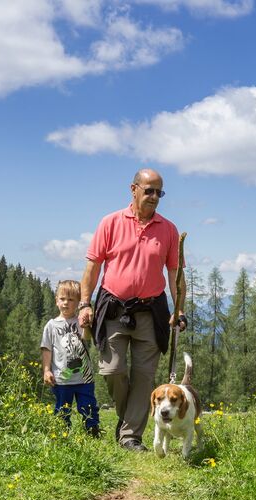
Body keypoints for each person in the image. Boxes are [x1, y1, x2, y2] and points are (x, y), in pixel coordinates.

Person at [79, 168, 186, 452]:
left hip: (152, 311)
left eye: (159, 192)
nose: (153, 197)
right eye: (148, 190)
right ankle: (128, 421)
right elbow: (92, 267)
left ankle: (130, 436)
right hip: (113, 308)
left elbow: (175, 274)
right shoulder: (110, 222)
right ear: (133, 189)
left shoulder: (169, 229)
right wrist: (84, 303)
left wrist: (179, 310)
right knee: (112, 370)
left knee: (144, 376)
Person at [41, 280, 101, 437]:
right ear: (56, 300)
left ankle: (92, 432)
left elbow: (87, 338)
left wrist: (87, 325)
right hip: (62, 379)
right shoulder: (51, 325)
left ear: (78, 303)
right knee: (62, 409)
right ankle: (61, 435)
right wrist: (47, 370)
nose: (66, 303)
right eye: (62, 299)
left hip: (84, 378)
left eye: (71, 300)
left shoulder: (80, 322)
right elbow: (46, 348)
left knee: (88, 407)